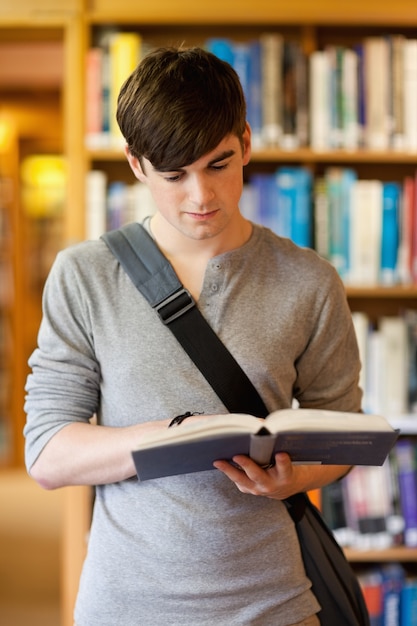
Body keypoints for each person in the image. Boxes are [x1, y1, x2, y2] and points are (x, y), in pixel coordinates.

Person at [24, 46, 362, 626]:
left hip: (276, 606)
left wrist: (295, 477)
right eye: (174, 175)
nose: (201, 197)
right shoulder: (84, 274)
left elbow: (344, 431)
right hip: (124, 606)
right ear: (135, 164)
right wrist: (172, 436)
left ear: (246, 143)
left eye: (219, 165)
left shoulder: (310, 280)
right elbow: (48, 453)